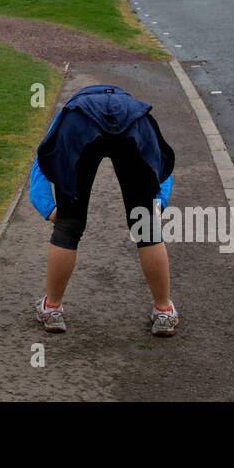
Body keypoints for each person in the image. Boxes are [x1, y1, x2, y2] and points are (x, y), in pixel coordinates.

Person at [27, 84, 178, 336]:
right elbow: (158, 161)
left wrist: (51, 209)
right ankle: (163, 312)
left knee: (68, 225)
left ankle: (52, 308)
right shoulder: (136, 112)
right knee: (147, 226)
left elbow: (44, 158)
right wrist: (158, 203)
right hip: (133, 126)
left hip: (79, 125)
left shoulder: (69, 113)